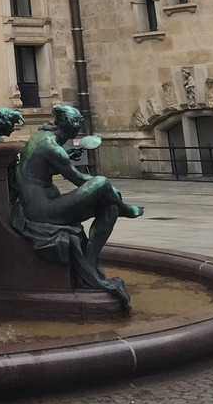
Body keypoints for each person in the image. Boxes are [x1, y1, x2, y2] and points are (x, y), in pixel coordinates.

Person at [11, 104, 143, 312]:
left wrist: (65, 157)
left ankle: (88, 264)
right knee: (102, 183)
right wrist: (112, 190)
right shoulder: (52, 148)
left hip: (38, 205)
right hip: (44, 211)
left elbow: (43, 166)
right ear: (71, 128)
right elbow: (80, 179)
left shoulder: (41, 137)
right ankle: (125, 208)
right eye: (77, 128)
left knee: (109, 207)